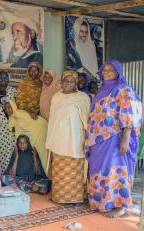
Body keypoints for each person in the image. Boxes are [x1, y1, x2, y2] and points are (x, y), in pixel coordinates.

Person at [85, 60, 142, 218]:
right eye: (104, 70)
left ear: (118, 72)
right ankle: (102, 202)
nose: (106, 72)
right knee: (99, 169)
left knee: (115, 169)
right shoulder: (102, 90)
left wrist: (125, 138)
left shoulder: (123, 89)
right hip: (98, 140)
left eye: (110, 70)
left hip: (114, 138)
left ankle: (120, 206)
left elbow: (129, 113)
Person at [46, 70, 90, 204]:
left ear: (76, 83)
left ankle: (75, 197)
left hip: (76, 140)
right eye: (65, 80)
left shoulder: (83, 97)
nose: (68, 83)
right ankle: (59, 196)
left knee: (75, 170)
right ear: (61, 82)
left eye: (71, 81)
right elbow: (53, 119)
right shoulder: (56, 97)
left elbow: (87, 120)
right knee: (60, 170)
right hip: (59, 140)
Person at [4, 100, 48, 173]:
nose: (7, 110)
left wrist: (17, 143)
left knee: (40, 154)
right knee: (35, 154)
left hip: (39, 131)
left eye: (9, 107)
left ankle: (44, 176)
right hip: (34, 132)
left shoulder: (19, 114)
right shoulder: (14, 115)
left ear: (13, 107)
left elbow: (21, 132)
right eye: (5, 108)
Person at [0, 71, 17, 172]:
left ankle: (9, 172)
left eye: (5, 78)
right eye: (1, 78)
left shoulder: (13, 90)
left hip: (11, 124)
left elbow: (17, 106)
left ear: (8, 80)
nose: (3, 80)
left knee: (10, 148)